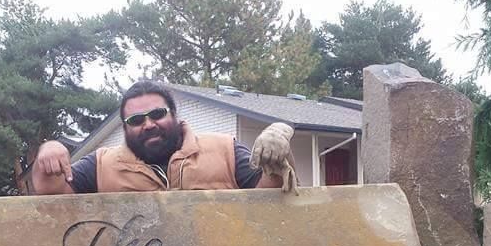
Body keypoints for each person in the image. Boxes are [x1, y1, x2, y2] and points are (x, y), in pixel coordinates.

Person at [30, 81, 297, 194]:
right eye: (135, 120)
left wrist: (279, 150)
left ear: (173, 114)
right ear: (125, 128)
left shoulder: (225, 149)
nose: (148, 124)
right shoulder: (101, 166)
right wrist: (49, 151)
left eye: (157, 113)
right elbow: (51, 194)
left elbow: (271, 195)